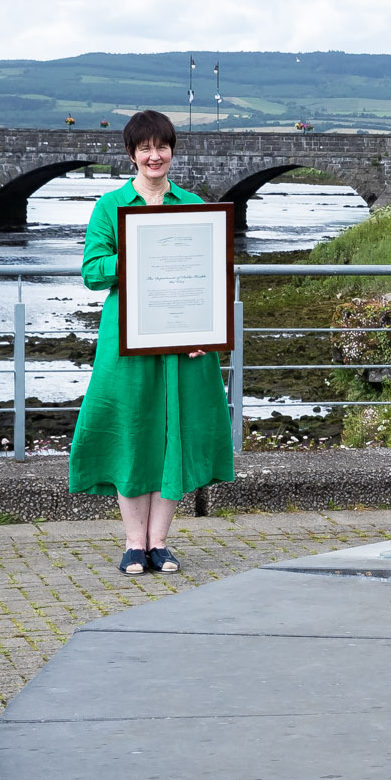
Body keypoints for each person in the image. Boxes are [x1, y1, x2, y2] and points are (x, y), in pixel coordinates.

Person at [68, 110, 235, 575]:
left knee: (172, 434)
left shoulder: (193, 202)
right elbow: (91, 271)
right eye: (145, 148)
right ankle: (132, 543)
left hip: (185, 342)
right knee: (131, 432)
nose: (154, 155)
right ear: (131, 154)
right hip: (128, 339)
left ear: (172, 151)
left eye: (161, 147)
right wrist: (137, 253)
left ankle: (159, 543)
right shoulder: (110, 206)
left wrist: (208, 331)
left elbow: (210, 274)